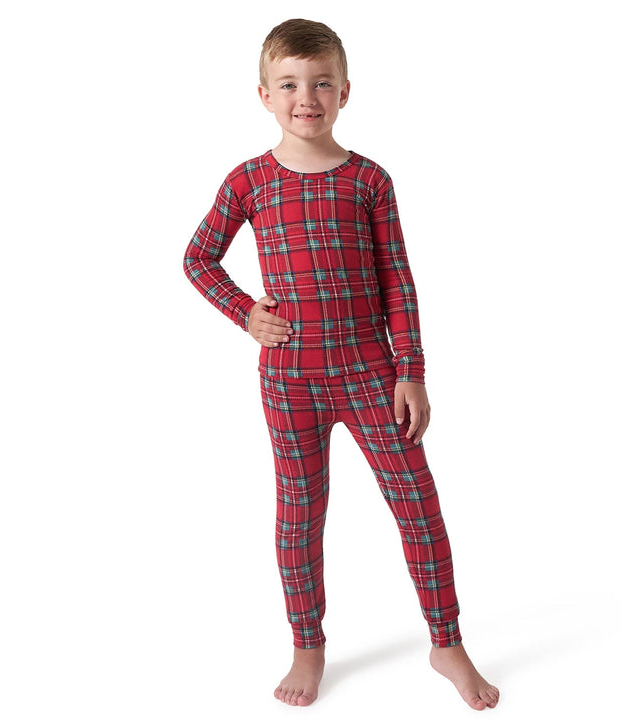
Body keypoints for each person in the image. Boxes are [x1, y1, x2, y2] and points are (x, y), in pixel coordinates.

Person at [183, 18, 500, 711]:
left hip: (371, 374)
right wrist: (245, 312)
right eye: (290, 84)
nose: (307, 97)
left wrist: (411, 370)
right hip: (289, 379)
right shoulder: (249, 180)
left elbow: (398, 280)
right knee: (300, 513)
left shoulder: (369, 180)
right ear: (264, 95)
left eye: (321, 82)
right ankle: (308, 645)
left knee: (417, 501)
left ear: (345, 91)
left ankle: (446, 642)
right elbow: (198, 259)